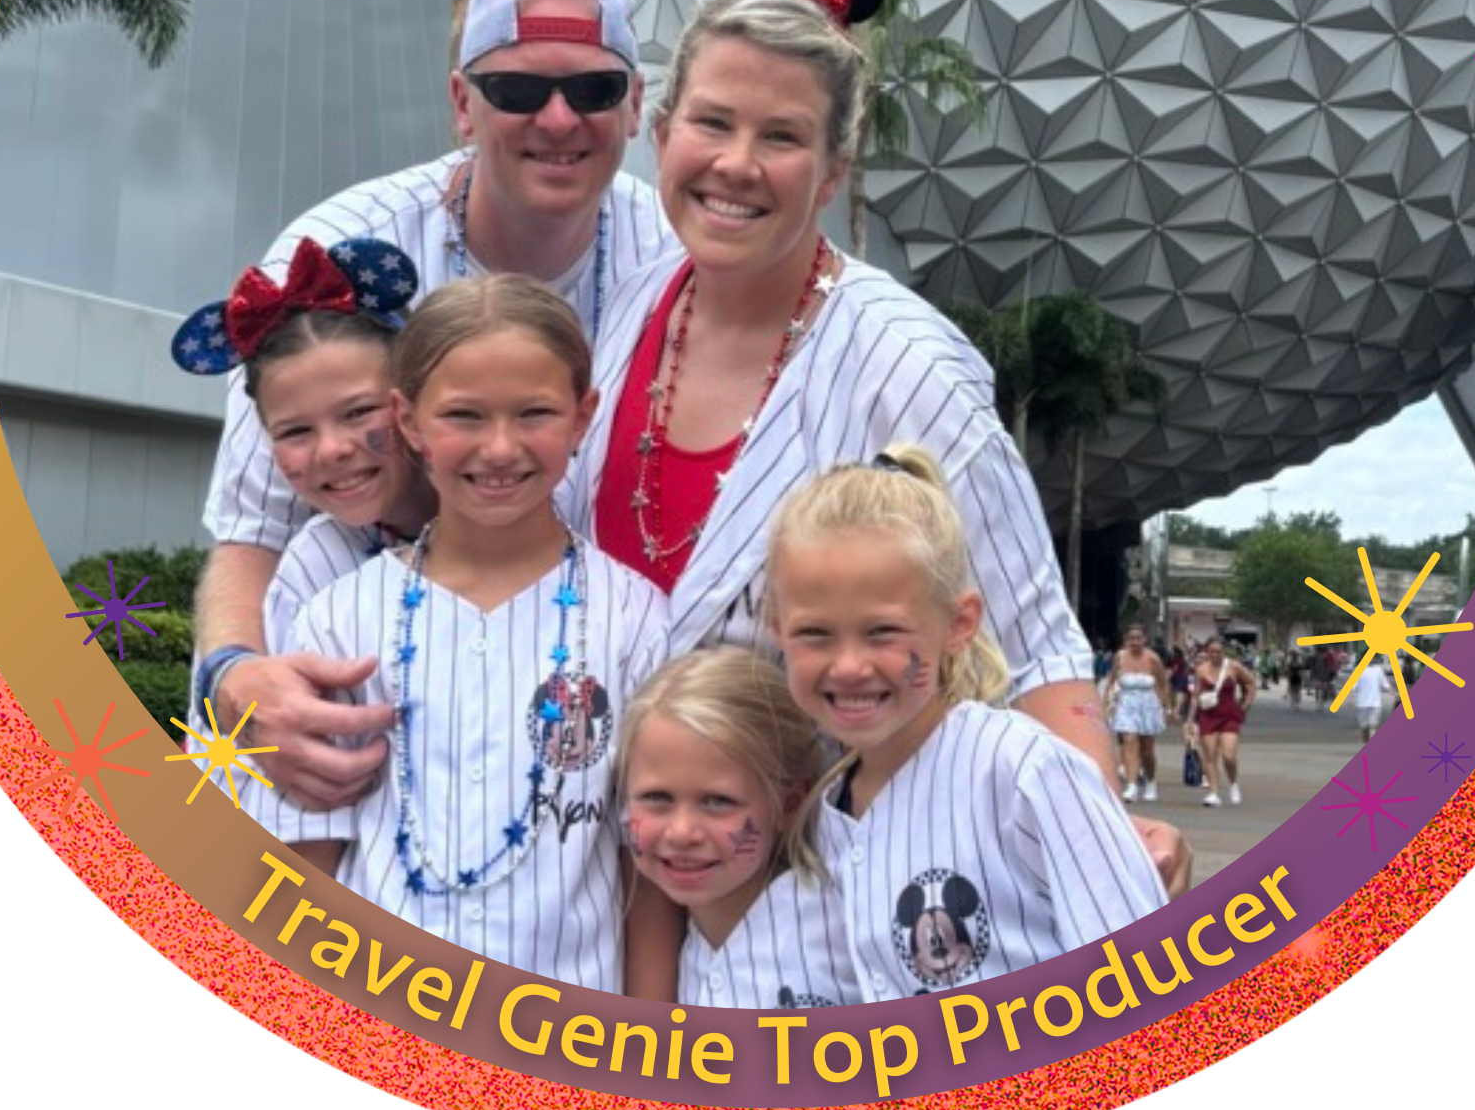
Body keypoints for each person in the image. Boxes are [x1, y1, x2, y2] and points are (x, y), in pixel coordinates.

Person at [561, 0, 1187, 894]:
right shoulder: (630, 302)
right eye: (712, 122)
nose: (735, 164)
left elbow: (1033, 644)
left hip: (812, 902)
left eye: (781, 136)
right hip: (600, 871)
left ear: (831, 171)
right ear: (660, 130)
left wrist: (1098, 855)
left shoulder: (904, 365)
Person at [191, 0, 677, 808]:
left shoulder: (683, 265)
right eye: (519, 91)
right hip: (380, 694)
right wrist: (234, 681)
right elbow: (251, 527)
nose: (559, 119)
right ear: (462, 103)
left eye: (595, 90)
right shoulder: (334, 250)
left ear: (635, 106)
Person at [248, 275, 670, 991]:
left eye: (534, 412)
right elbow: (303, 861)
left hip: (569, 1052)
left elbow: (650, 870)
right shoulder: (338, 619)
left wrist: (654, 1054)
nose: (500, 449)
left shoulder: (637, 620)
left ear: (582, 415)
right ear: (408, 422)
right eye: (464, 416)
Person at [766, 448, 1169, 1000]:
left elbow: (1149, 986)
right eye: (815, 634)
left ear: (958, 624)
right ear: (776, 629)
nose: (850, 665)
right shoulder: (824, 817)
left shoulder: (1021, 772)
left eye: (883, 631)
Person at [169, 235, 436, 662]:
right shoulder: (311, 570)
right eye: (295, 431)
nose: (331, 450)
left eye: (359, 411)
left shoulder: (533, 507)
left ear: (416, 398)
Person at [615, 647, 855, 1009]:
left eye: (717, 802)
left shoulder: (842, 933)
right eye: (656, 798)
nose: (681, 832)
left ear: (788, 804)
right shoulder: (686, 955)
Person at [1099, 624, 1171, 802]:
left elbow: (1162, 684)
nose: (1135, 642)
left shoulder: (1153, 658)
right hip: (1126, 704)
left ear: (1144, 640)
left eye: (1138, 639)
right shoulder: (1120, 657)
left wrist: (1165, 707)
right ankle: (1131, 785)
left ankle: (1150, 781)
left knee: (1147, 749)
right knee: (1129, 741)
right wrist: (1106, 701)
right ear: (1126, 641)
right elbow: (1111, 680)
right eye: (1131, 639)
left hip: (1148, 704)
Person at [1188, 639, 1256, 808]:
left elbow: (1251, 683)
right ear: (1207, 652)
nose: (1215, 655)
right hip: (1208, 716)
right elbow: (1196, 695)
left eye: (1218, 651)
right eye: (1211, 651)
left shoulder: (1233, 667)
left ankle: (1233, 783)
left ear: (1223, 652)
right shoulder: (1201, 670)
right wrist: (1190, 718)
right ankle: (1214, 793)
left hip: (1229, 715)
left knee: (1229, 755)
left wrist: (1246, 704)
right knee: (1210, 756)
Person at [1351, 654, 1390, 743]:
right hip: (1369, 703)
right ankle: (1365, 743)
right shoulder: (1361, 670)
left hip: (1365, 703)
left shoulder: (1376, 670)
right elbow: (1385, 686)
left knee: (1370, 726)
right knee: (1368, 727)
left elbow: (1353, 687)